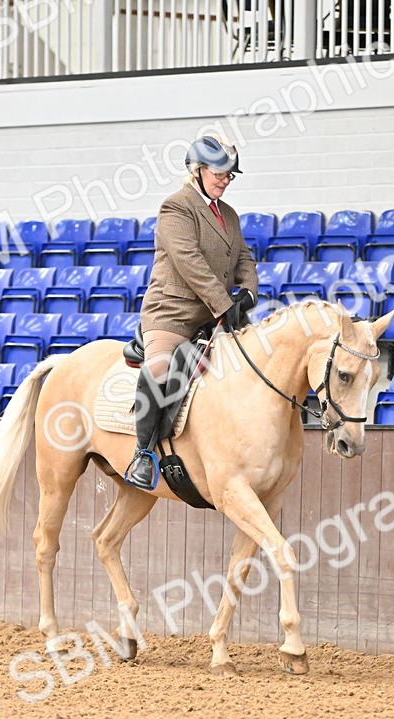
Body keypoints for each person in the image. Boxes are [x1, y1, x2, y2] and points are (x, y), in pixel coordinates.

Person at [124, 134, 259, 490]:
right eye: (220, 173)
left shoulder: (228, 214)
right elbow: (189, 263)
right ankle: (143, 453)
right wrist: (225, 303)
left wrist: (248, 292)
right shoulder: (176, 208)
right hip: (173, 312)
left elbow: (243, 257)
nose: (225, 180)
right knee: (161, 367)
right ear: (198, 171)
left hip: (216, 312)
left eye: (230, 175)